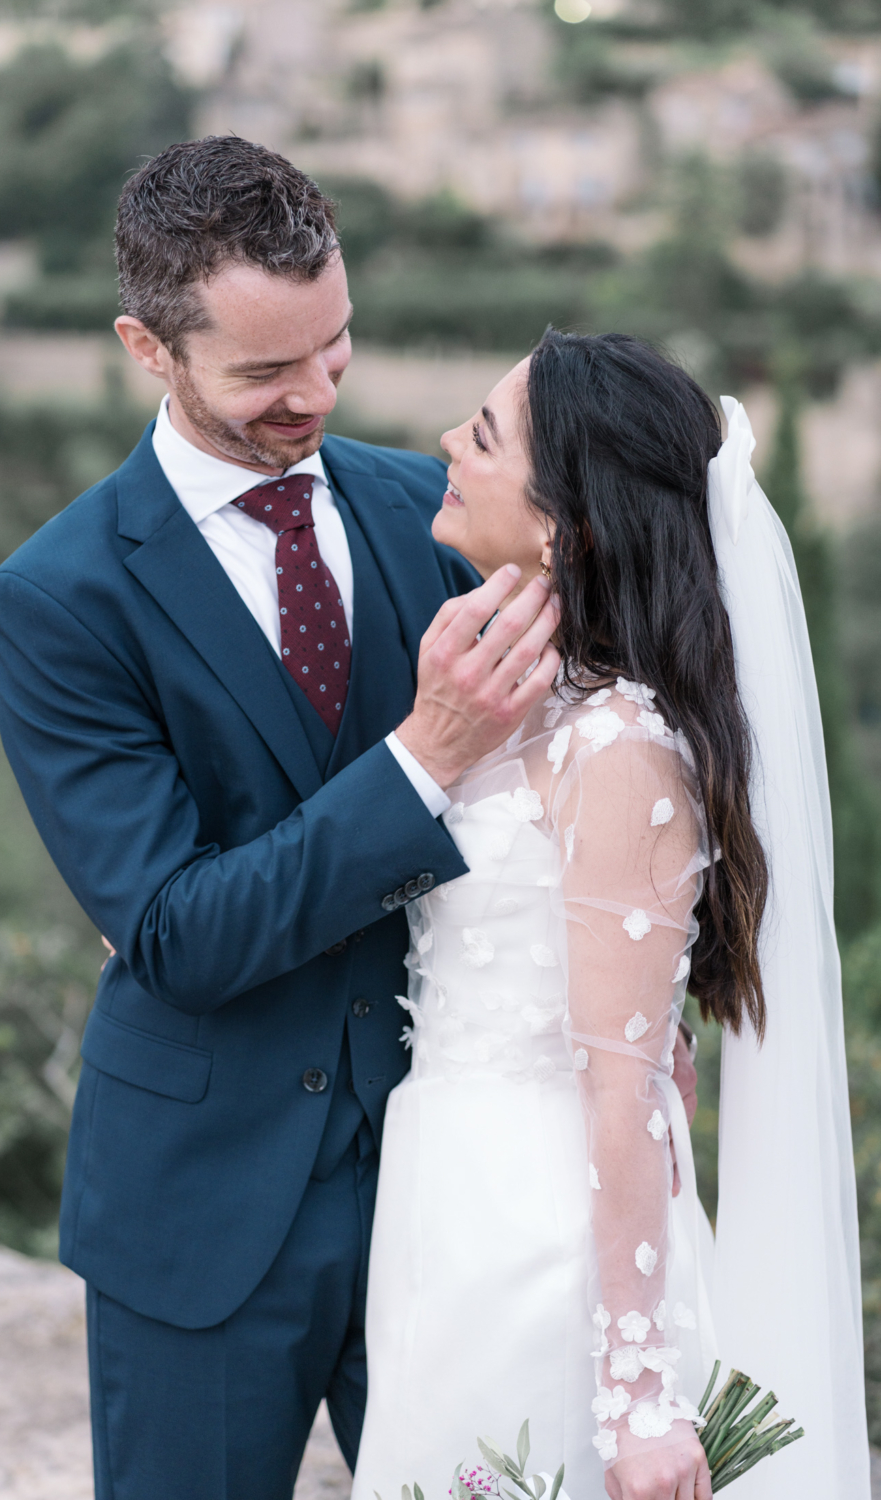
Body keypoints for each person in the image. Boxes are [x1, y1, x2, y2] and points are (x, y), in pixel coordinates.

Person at [0, 136, 696, 1499]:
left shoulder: (427, 510)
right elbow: (178, 931)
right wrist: (424, 757)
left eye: (336, 345)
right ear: (149, 346)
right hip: (204, 1204)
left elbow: (612, 776)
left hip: (463, 1204)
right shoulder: (57, 599)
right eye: (263, 371)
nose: (313, 393)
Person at [351, 332, 869, 1500]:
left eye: (483, 435)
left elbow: (622, 1086)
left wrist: (637, 1398)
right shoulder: (518, 709)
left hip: (549, 1239)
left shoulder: (620, 746)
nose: (445, 442)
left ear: (559, 527)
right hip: (450, 1203)